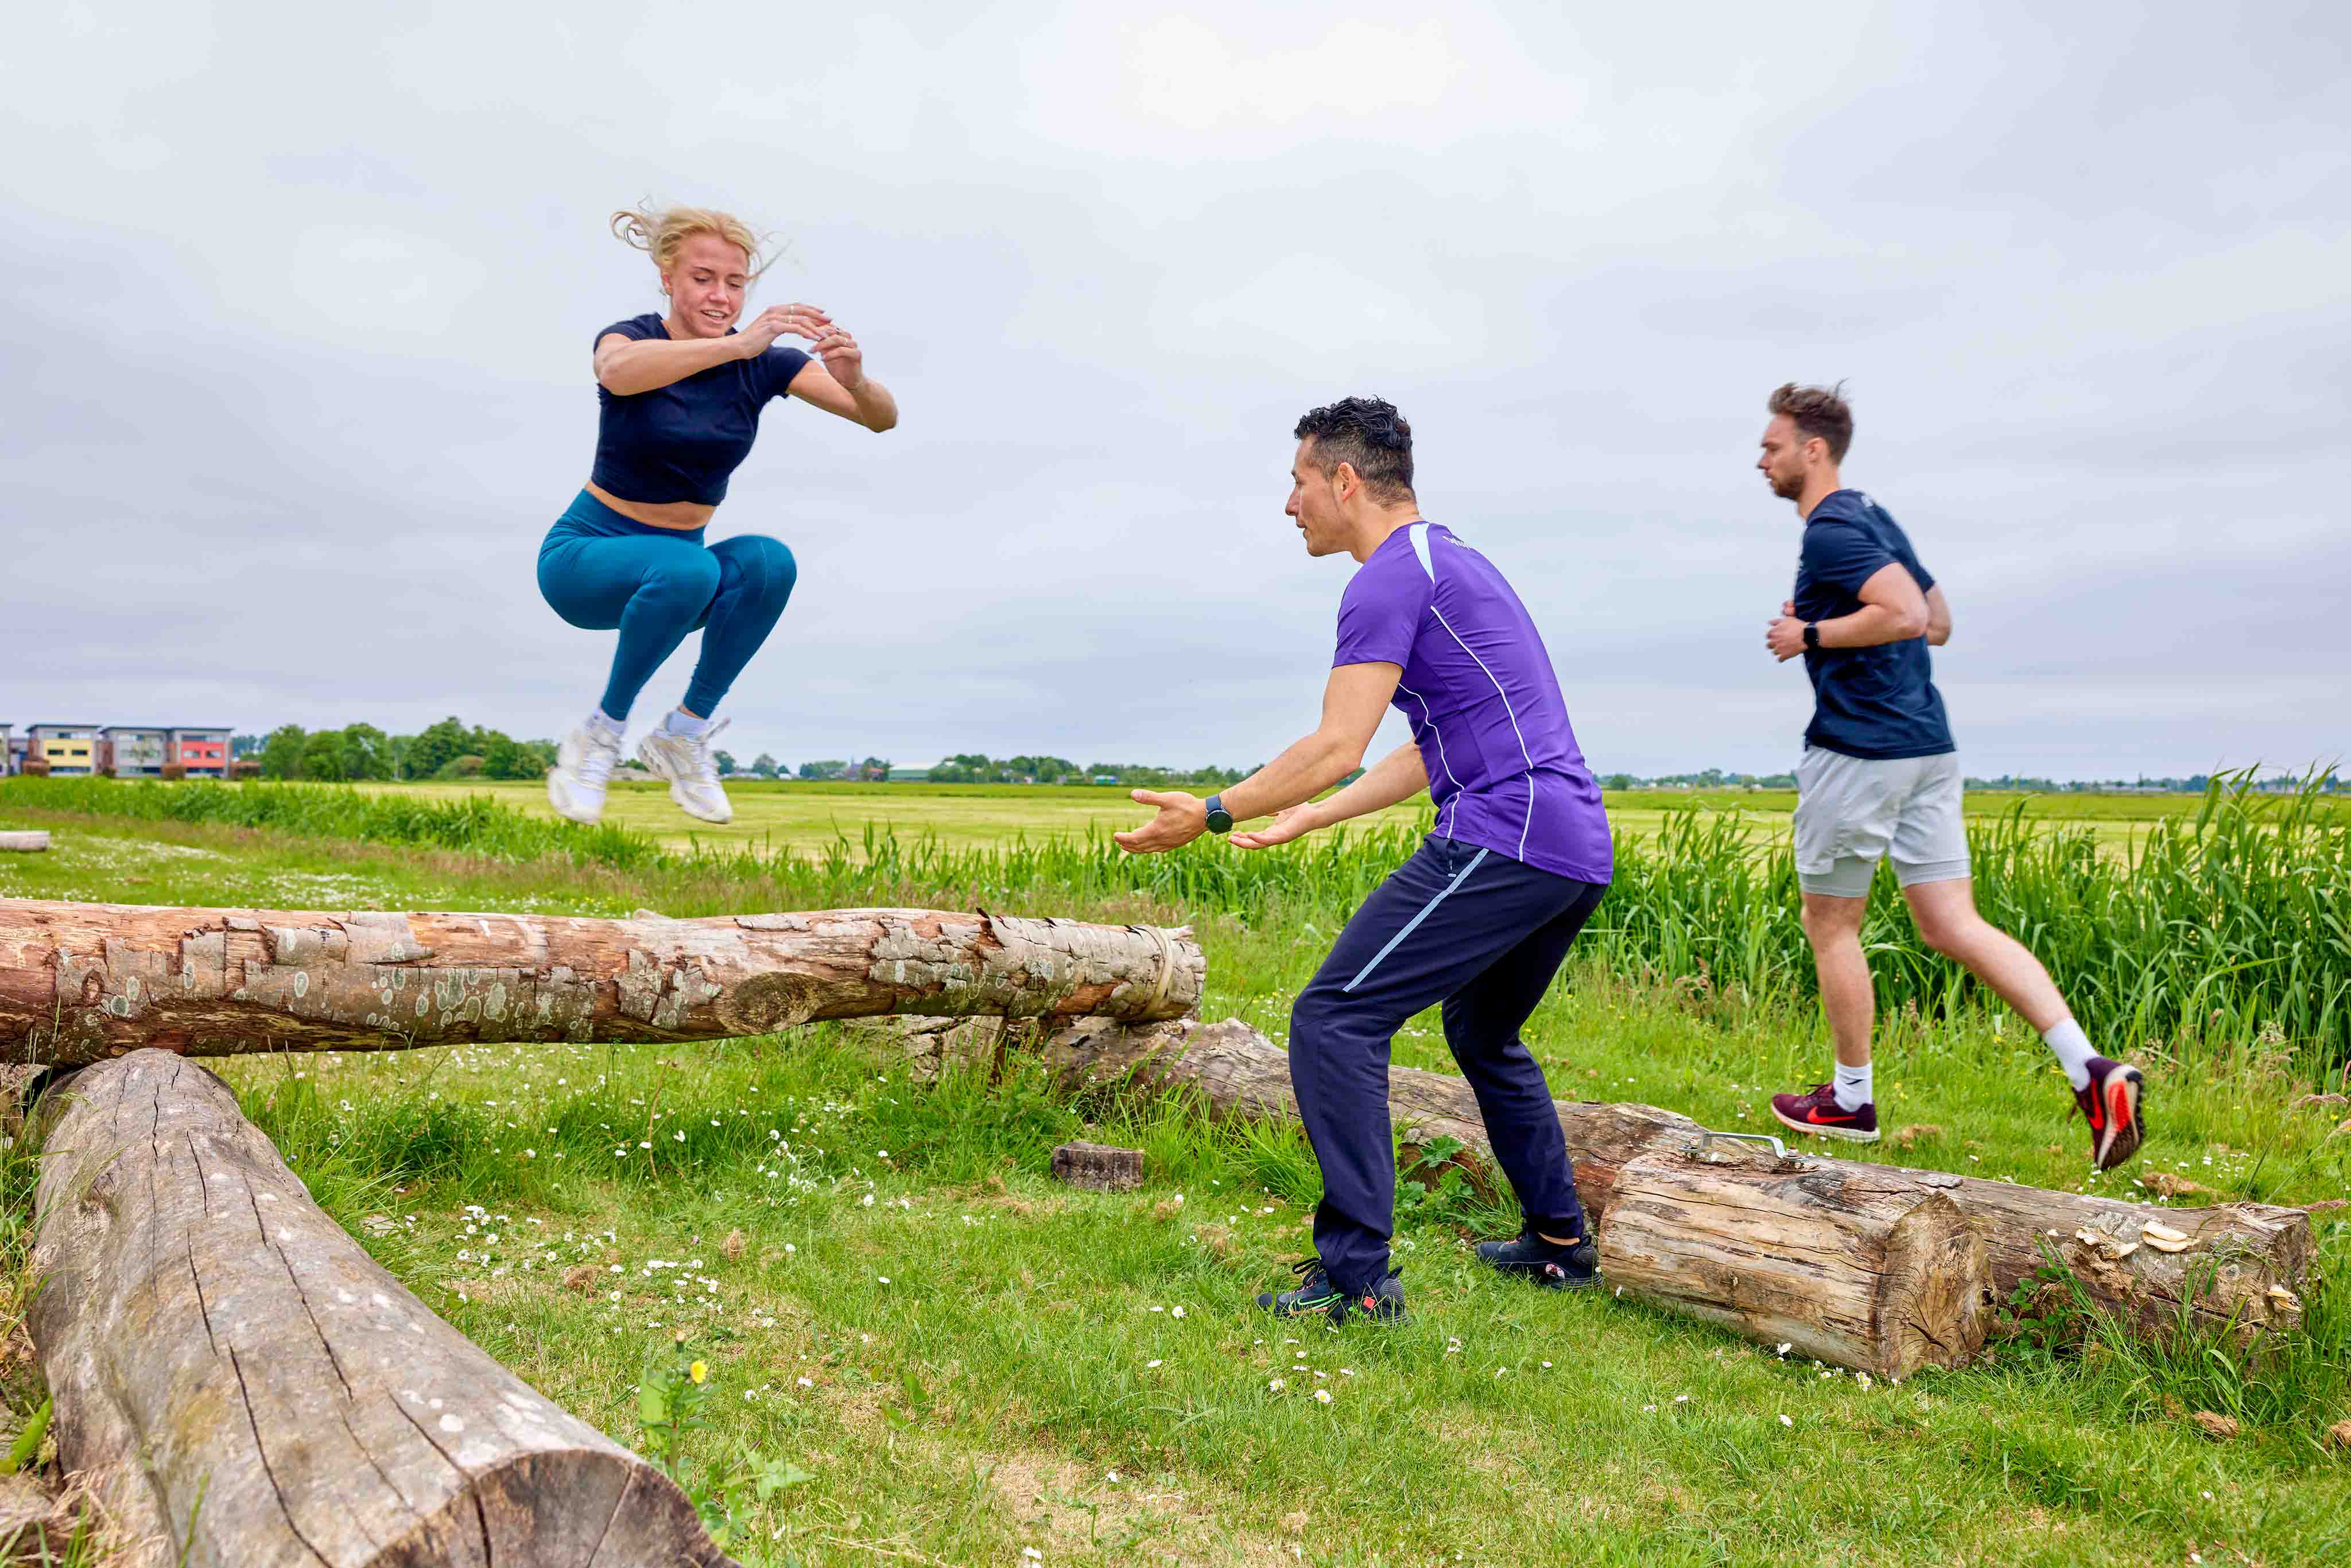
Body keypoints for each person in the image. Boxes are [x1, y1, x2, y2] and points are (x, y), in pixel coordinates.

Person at [1116, 397, 1616, 1324]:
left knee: (1334, 1017)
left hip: (1507, 831)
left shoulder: (1388, 576)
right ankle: (1558, 1241)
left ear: (1344, 481)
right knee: (1481, 1030)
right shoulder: (1453, 561)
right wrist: (1313, 816)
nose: (1289, 504)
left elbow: (1338, 739)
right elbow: (1429, 746)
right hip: (1570, 843)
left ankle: (1355, 1277)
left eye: (1299, 482)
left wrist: (1214, 811)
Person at [1756, 382, 2146, 1170]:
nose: (1761, 460)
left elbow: (1904, 616)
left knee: (1831, 924)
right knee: (1951, 923)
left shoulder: (1831, 530)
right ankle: (2091, 1070)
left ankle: (1851, 1098)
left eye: (1772, 446)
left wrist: (1810, 633)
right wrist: (1847, 624)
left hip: (1858, 752)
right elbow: (1939, 619)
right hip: (1928, 749)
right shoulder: (1872, 514)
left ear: (1814, 449)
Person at [541, 205, 897, 826]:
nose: (720, 295)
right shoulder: (632, 337)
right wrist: (734, 344)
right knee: (687, 569)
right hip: (586, 560)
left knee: (766, 562)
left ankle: (682, 733)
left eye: (734, 283)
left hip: (677, 573)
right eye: (703, 278)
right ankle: (600, 735)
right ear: (667, 278)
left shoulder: (765, 364)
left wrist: (856, 377)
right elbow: (616, 374)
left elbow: (880, 417)